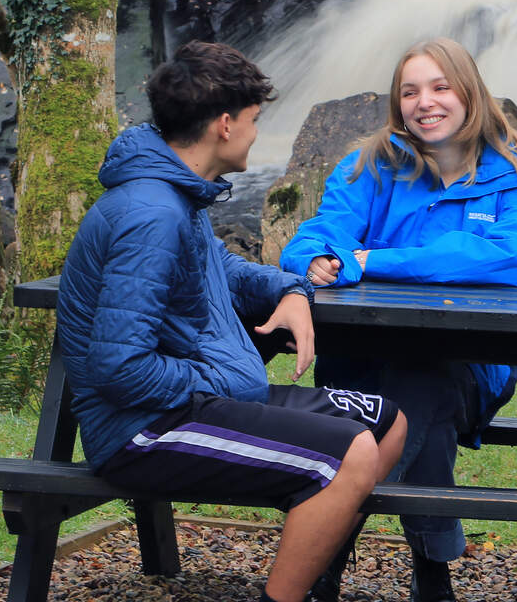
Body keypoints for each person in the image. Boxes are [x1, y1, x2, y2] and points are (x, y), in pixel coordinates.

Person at [55, 41, 408, 602]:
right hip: (144, 429)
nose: (255, 132)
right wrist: (227, 382)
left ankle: (315, 580)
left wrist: (291, 289)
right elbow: (117, 366)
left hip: (186, 402)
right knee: (353, 451)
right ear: (224, 125)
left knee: (384, 422)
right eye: (253, 120)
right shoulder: (151, 214)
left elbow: (222, 267)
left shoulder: (176, 196)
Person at [280, 36, 517, 602]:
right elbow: (313, 238)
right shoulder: (369, 166)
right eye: (410, 91)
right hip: (363, 370)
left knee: (424, 372)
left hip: (469, 368)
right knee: (412, 394)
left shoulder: (510, 175)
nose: (425, 102)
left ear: (470, 93)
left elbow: (508, 257)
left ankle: (325, 558)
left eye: (440, 87)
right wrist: (317, 260)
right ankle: (432, 574)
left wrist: (371, 261)